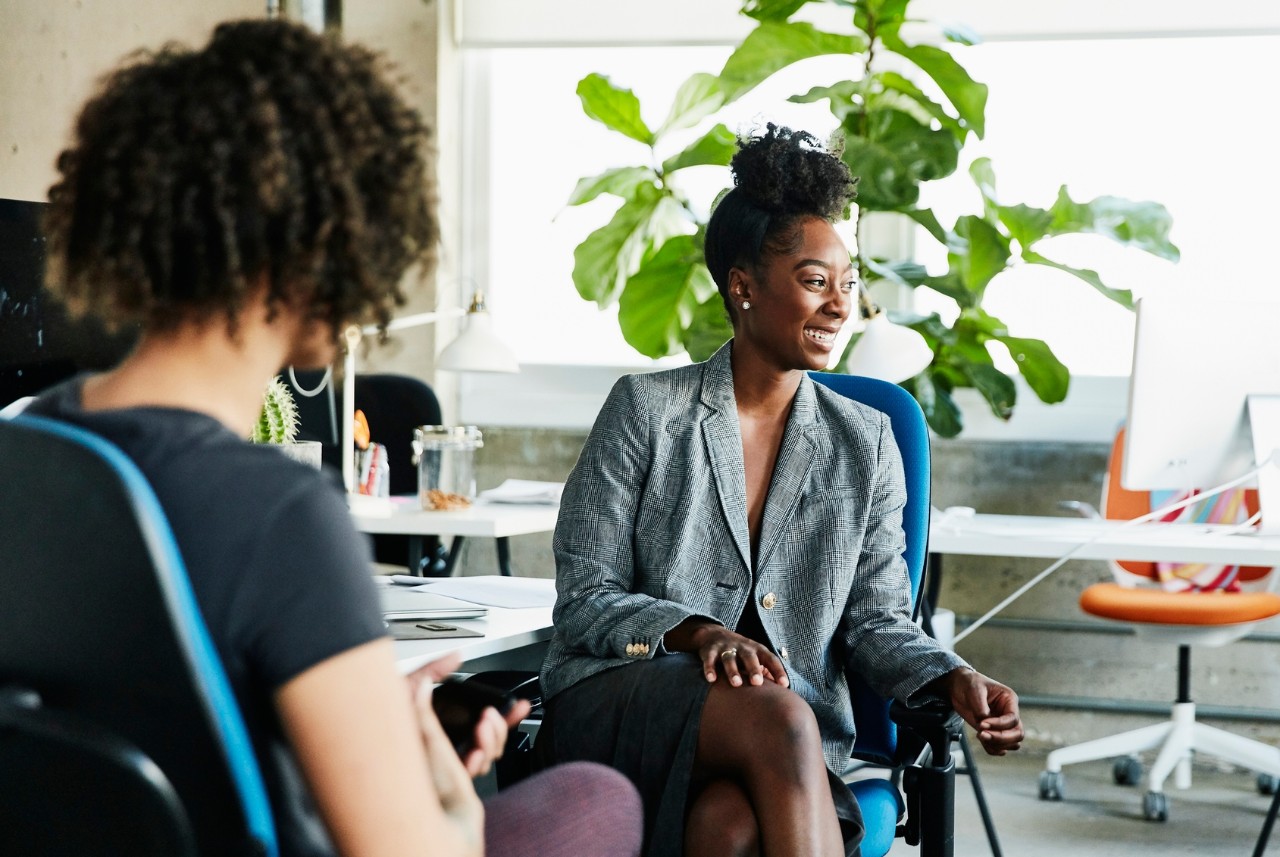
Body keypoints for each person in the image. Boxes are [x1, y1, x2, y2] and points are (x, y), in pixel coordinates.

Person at [24, 18, 642, 857]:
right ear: (323, 239)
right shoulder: (279, 513)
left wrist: (366, 724)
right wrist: (452, 804)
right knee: (593, 799)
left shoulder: (30, 446)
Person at [537, 124, 1024, 857]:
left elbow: (876, 621)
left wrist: (951, 676)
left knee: (727, 828)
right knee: (784, 717)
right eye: (814, 280)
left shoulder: (865, 441)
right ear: (743, 286)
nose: (839, 306)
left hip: (772, 748)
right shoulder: (648, 410)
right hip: (630, 701)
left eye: (847, 285)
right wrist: (698, 631)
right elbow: (585, 597)